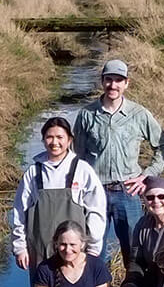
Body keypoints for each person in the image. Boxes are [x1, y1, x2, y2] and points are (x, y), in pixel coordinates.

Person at [72, 58, 164, 269]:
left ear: (127, 83)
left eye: (119, 80)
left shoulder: (138, 114)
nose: (113, 85)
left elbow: (163, 146)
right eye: (109, 79)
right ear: (102, 81)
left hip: (128, 192)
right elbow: (77, 156)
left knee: (134, 251)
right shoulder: (87, 115)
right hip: (94, 193)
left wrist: (147, 176)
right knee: (92, 250)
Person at [10, 116, 105, 271]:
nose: (55, 143)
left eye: (60, 137)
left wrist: (93, 248)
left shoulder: (83, 170)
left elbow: (96, 211)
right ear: (43, 140)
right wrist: (20, 247)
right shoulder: (33, 172)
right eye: (49, 137)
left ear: (69, 140)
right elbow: (19, 212)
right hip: (40, 253)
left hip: (74, 253)